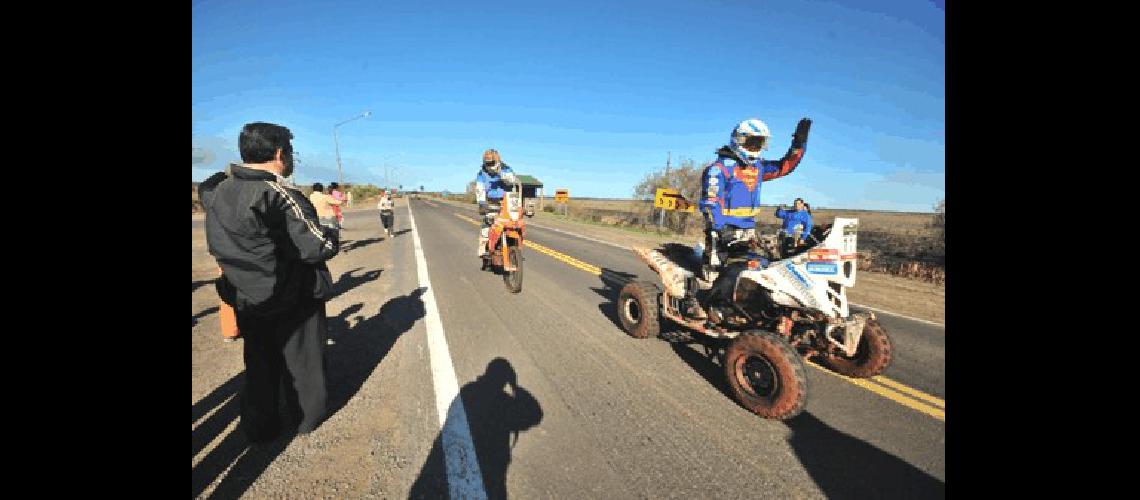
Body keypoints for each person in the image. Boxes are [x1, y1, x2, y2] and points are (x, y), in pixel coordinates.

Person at [199, 122, 340, 444]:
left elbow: (206, 187)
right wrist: (331, 230)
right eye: (291, 152)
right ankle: (305, 419)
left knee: (260, 363)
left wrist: (230, 171)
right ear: (280, 154)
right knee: (304, 363)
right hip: (291, 295)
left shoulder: (220, 192)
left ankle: (260, 426)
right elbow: (318, 246)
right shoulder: (279, 194)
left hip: (245, 294)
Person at [696, 117, 812, 316]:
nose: (755, 147)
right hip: (723, 232)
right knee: (731, 270)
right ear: (738, 140)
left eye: (759, 143)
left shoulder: (757, 167)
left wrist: (798, 144)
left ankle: (753, 308)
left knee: (763, 267)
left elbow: (785, 166)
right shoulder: (719, 169)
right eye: (751, 142)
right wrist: (720, 229)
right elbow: (710, 203)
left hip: (748, 232)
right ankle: (713, 308)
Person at [474, 149, 518, 257]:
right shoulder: (482, 173)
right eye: (487, 163)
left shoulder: (506, 169)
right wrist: (481, 203)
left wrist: (499, 173)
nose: (489, 166)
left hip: (508, 202)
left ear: (497, 161)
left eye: (491, 163)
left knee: (514, 224)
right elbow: (480, 188)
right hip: (491, 203)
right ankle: (483, 248)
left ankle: (515, 247)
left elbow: (511, 180)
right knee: (487, 225)